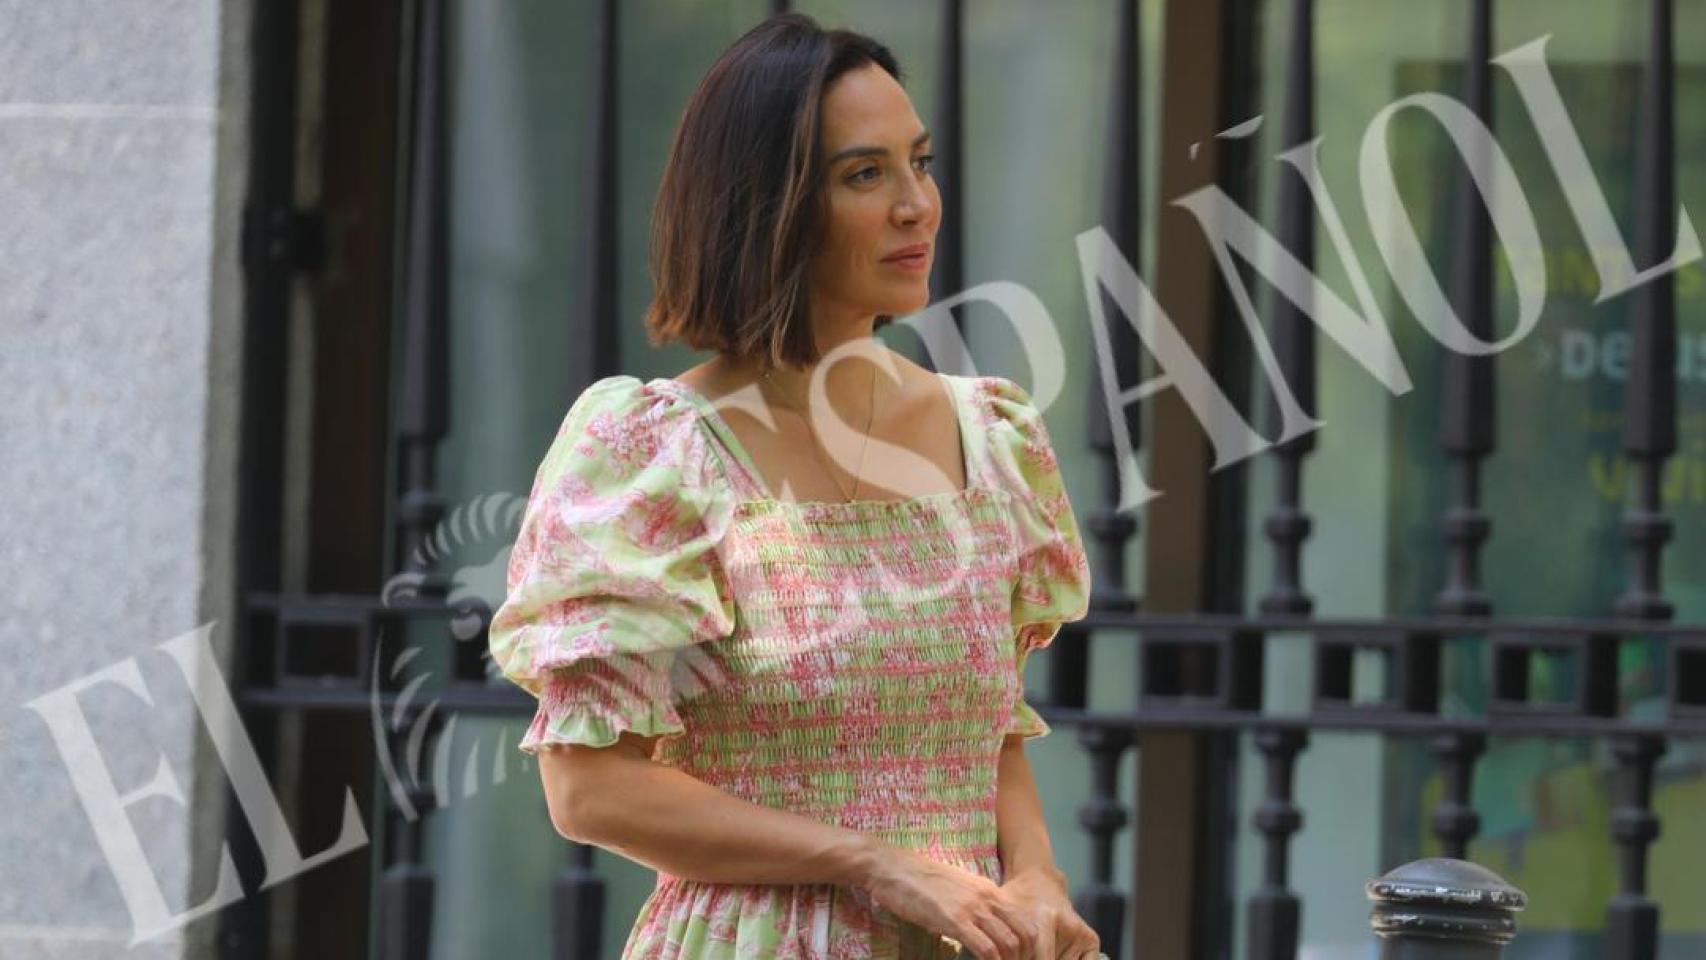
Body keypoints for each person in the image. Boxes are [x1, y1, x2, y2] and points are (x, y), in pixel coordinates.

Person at [488, 12, 1100, 959]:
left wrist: (1036, 877)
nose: (917, 205)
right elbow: (589, 789)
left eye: (920, 164)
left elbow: (989, 733)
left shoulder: (992, 436)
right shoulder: (655, 452)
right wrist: (872, 862)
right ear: (767, 206)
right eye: (865, 175)